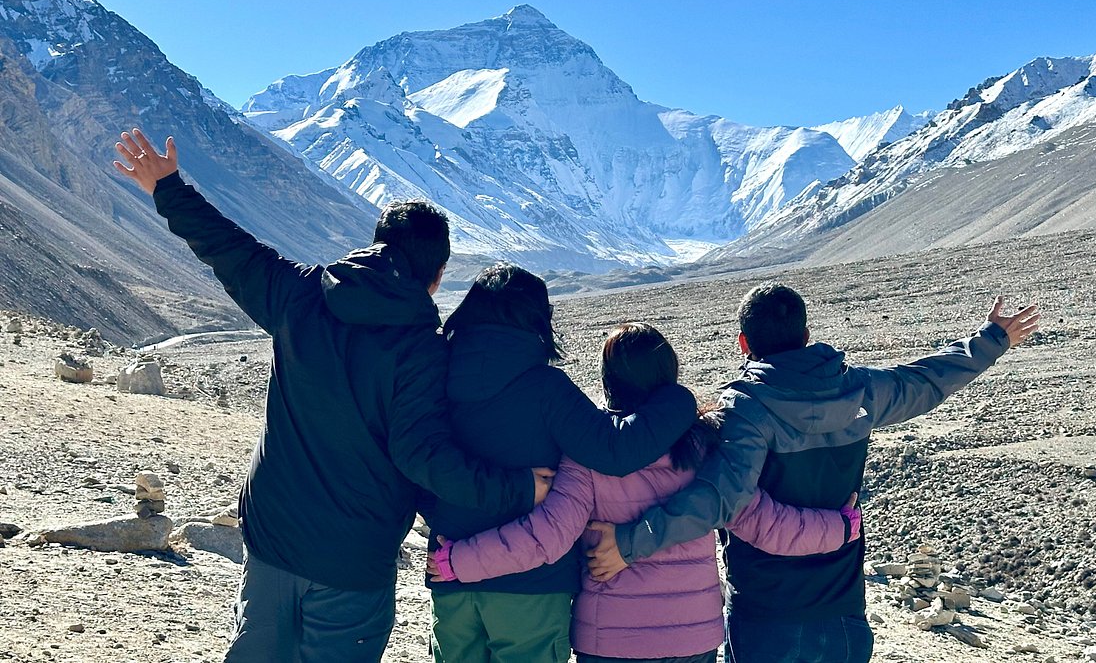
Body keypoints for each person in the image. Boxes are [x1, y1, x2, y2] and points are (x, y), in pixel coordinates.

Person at [112, 129, 553, 663]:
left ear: (375, 246)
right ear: (436, 276)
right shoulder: (421, 350)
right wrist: (517, 489)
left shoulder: (301, 295)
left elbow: (231, 251)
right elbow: (423, 458)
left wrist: (168, 188)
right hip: (353, 560)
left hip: (273, 535)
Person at [586, 285, 1040, 663]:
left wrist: (629, 543)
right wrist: (990, 340)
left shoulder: (743, 409)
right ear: (806, 335)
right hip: (844, 608)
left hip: (769, 612)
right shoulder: (858, 388)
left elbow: (719, 499)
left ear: (744, 344)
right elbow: (924, 380)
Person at [427, 321, 862, 663]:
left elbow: (548, 534)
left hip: (612, 638)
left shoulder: (587, 456)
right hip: (694, 635)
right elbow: (764, 522)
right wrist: (838, 528)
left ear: (610, 382)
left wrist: (457, 561)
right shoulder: (704, 445)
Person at [420, 268, 701, 663]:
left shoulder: (432, 378)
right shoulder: (546, 388)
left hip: (449, 572)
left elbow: (411, 457)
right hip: (530, 589)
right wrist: (679, 400)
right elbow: (615, 449)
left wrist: (442, 517)